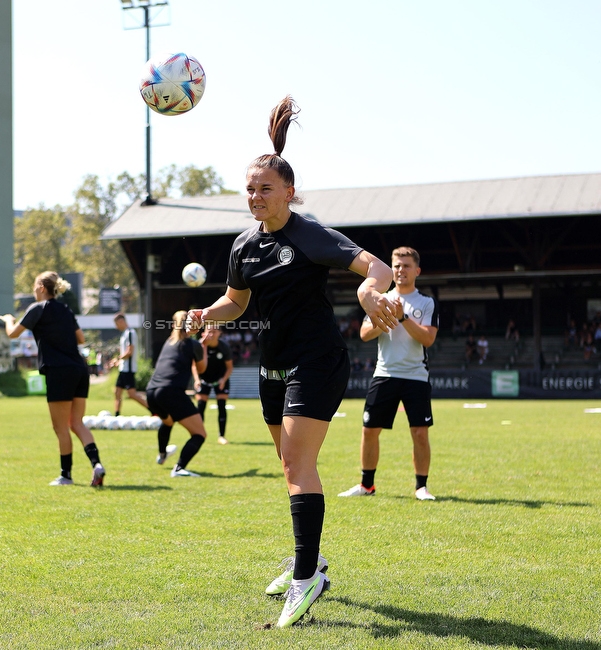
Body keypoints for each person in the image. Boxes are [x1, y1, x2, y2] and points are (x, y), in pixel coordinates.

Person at [188, 96, 396, 628]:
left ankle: (307, 579)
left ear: (290, 192)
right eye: (251, 190)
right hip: (272, 366)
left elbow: (375, 266)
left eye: (266, 189)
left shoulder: (309, 234)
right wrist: (203, 312)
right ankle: (313, 560)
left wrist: (372, 293)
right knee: (291, 467)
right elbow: (235, 302)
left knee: (299, 467)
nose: (256, 197)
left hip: (317, 360)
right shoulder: (243, 245)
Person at [339, 247, 439, 503]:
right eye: (396, 265)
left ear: (417, 271)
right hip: (384, 373)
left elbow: (428, 339)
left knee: (419, 432)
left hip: (416, 375)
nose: (400, 270)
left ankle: (421, 487)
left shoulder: (426, 303)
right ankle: (367, 485)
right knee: (370, 430)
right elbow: (363, 334)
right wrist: (384, 317)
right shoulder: (379, 298)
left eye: (406, 266)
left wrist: (403, 317)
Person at [0, 271, 105, 487]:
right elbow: (81, 338)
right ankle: (97, 465)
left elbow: (13, 334)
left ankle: (66, 475)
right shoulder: (65, 309)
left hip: (59, 371)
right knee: (76, 422)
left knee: (60, 427)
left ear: (40, 287)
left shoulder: (37, 308)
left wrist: (9, 320)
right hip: (79, 369)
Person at [145, 310, 209, 475]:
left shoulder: (169, 342)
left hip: (151, 391)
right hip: (170, 392)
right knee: (200, 434)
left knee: (167, 422)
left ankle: (162, 455)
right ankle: (179, 468)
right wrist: (204, 347)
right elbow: (202, 369)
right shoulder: (193, 344)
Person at [192, 323, 234, 444]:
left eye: (214, 331)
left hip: (220, 379)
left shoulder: (224, 347)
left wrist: (223, 380)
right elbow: (194, 365)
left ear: (219, 333)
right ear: (203, 333)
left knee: (221, 406)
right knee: (200, 407)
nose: (211, 334)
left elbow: (229, 367)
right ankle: (199, 434)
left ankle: (222, 436)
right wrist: (196, 380)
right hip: (203, 379)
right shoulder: (199, 346)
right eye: (209, 331)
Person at [112, 312, 148, 415]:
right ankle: (117, 415)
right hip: (123, 368)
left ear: (121, 321)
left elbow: (129, 352)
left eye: (116, 323)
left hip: (129, 368)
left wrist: (118, 359)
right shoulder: (124, 333)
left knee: (132, 394)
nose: (116, 326)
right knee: (117, 392)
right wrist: (119, 361)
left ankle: (153, 410)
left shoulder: (130, 333)